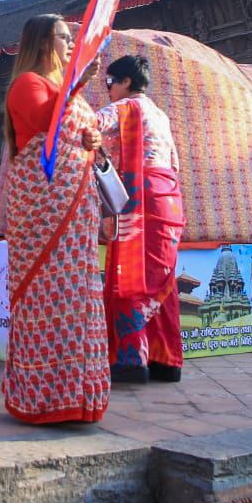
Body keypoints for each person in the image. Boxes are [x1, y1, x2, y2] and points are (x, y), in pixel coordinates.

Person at [0, 14, 109, 424]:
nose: (70, 43)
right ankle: (42, 399)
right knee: (48, 298)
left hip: (76, 211)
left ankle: (78, 397)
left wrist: (92, 140)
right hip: (42, 212)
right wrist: (77, 82)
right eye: (64, 37)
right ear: (44, 42)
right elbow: (47, 121)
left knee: (78, 298)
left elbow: (76, 133)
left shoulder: (68, 89)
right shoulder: (27, 84)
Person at [95, 54, 186, 384]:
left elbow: (86, 127)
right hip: (168, 200)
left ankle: (131, 359)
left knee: (129, 275)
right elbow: (174, 162)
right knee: (163, 280)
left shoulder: (123, 109)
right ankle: (166, 361)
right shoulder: (160, 115)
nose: (108, 90)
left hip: (139, 197)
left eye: (110, 82)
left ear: (126, 82)